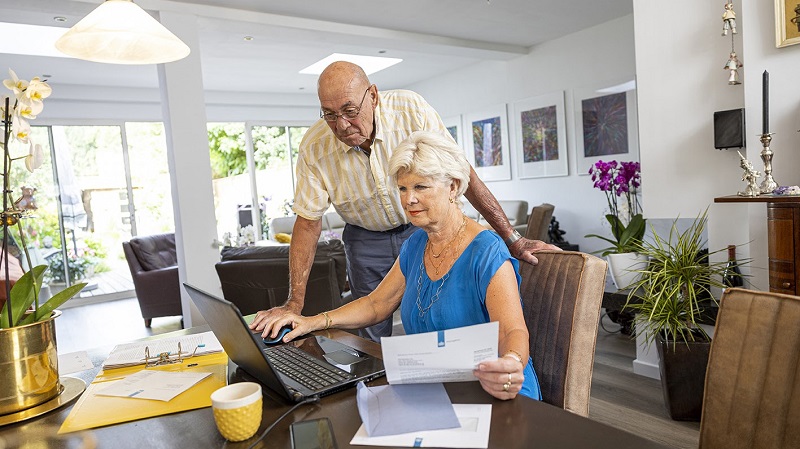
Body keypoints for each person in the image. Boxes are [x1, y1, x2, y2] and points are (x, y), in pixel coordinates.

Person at [250, 61, 558, 341]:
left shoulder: (410, 110)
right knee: (371, 332)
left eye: (349, 111)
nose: (342, 125)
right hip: (364, 236)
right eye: (330, 115)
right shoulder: (315, 147)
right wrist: (296, 306)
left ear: (372, 95)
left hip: (421, 230)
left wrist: (512, 238)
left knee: (447, 314)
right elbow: (308, 224)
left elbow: (463, 172)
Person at [254, 131, 541, 401]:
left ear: (453, 186)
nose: (408, 199)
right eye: (402, 188)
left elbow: (512, 331)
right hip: (440, 388)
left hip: (498, 391)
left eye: (420, 187)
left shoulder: (486, 249)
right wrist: (311, 321)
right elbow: (376, 304)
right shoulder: (416, 245)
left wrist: (511, 364)